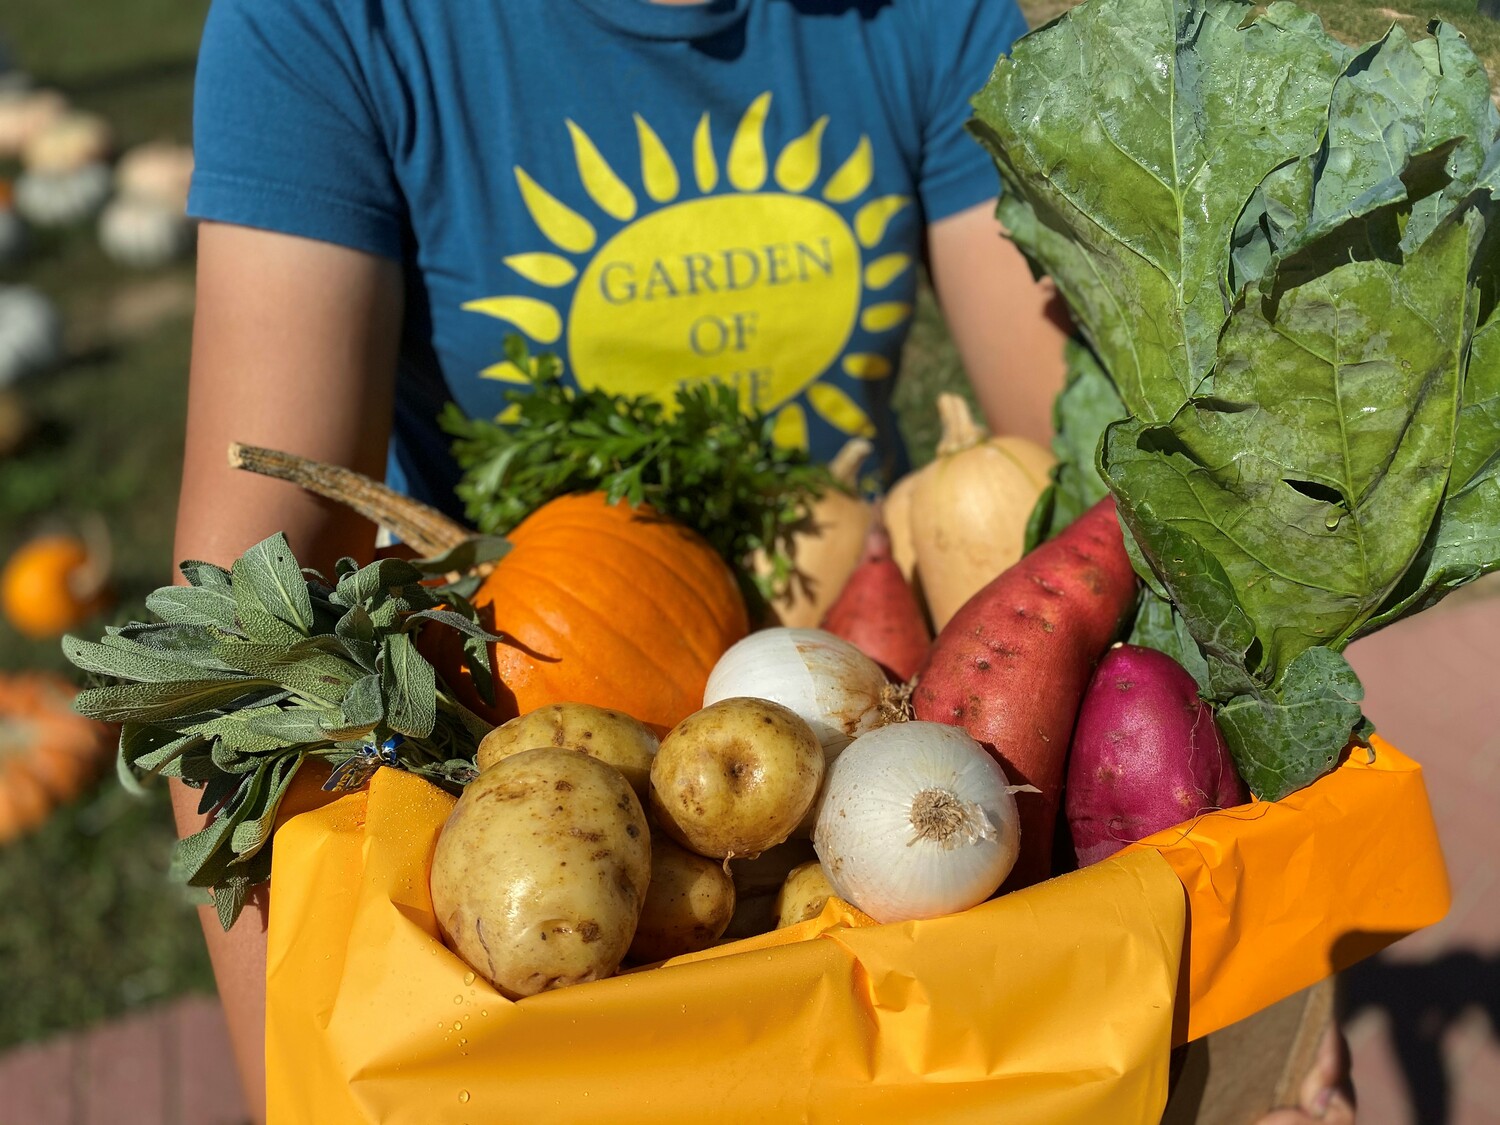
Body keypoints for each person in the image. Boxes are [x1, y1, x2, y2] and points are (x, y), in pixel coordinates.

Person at [172, 1, 1350, 1120]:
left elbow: (1093, 485)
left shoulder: (919, 14)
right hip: (513, 753)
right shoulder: (333, 25)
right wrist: (301, 1093)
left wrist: (1274, 967)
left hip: (874, 706)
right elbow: (240, 635)